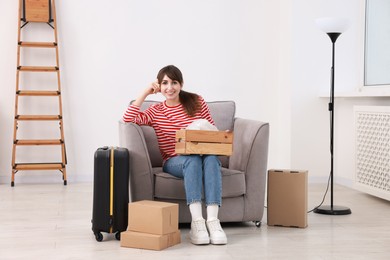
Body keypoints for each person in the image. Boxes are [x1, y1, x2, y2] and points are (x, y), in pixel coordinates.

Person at [122, 65, 227, 245]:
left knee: (211, 159)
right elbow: (128, 119)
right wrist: (146, 92)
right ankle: (197, 223)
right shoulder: (156, 111)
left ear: (181, 84)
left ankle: (213, 222)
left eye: (174, 82)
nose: (169, 87)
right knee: (192, 160)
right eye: (164, 83)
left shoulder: (196, 101)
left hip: (204, 154)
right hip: (174, 160)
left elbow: (212, 130)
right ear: (159, 86)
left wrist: (218, 134)